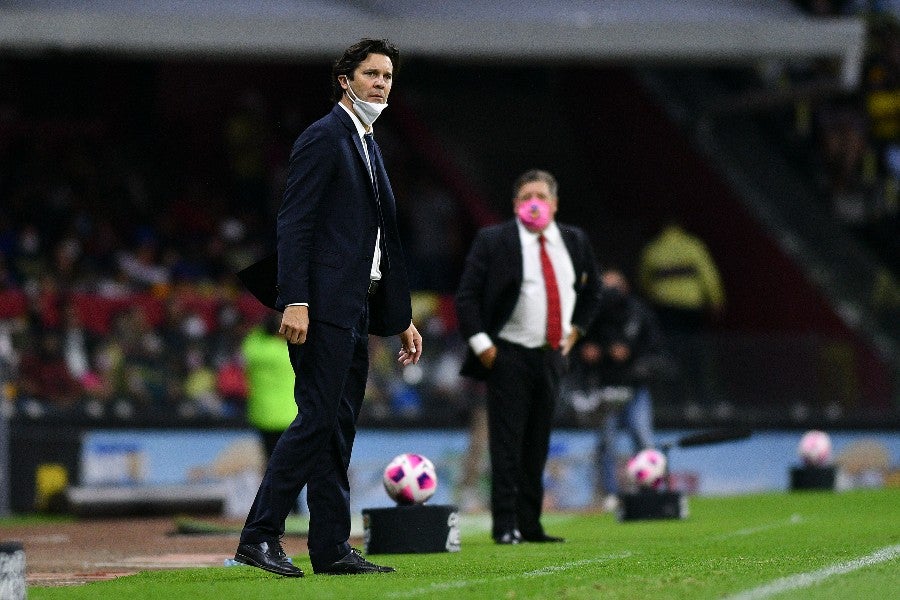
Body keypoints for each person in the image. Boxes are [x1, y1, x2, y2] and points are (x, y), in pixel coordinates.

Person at [233, 38, 422, 578]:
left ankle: (331, 548)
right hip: (321, 307)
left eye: (387, 76)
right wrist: (295, 299)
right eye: (371, 74)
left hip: (355, 305)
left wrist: (399, 314)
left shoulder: (366, 142)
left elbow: (378, 242)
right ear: (346, 80)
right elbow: (295, 223)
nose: (381, 83)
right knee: (318, 418)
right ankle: (260, 535)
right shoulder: (325, 137)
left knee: (338, 425)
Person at [455, 169, 603, 544]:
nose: (533, 203)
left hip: (552, 355)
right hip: (507, 354)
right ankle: (505, 525)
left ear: (554, 203)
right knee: (506, 443)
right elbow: (467, 296)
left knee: (538, 442)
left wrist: (576, 331)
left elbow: (593, 291)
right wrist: (483, 346)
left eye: (540, 196)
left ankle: (531, 525)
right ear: (515, 205)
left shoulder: (574, 240)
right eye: (525, 197)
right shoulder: (494, 240)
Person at [575, 269, 671, 512]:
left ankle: (650, 491)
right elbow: (577, 344)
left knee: (643, 437)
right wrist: (587, 351)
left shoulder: (639, 314)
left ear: (625, 288)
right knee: (607, 442)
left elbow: (657, 351)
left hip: (634, 387)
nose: (609, 294)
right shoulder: (592, 313)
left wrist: (632, 357)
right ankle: (610, 494)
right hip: (605, 389)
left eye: (614, 288)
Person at [637, 221, 724, 407]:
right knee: (696, 353)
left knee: (671, 354)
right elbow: (708, 274)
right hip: (691, 307)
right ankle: (702, 398)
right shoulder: (692, 245)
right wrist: (716, 300)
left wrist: (653, 297)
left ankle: (675, 400)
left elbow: (644, 280)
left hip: (665, 307)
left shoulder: (654, 248)